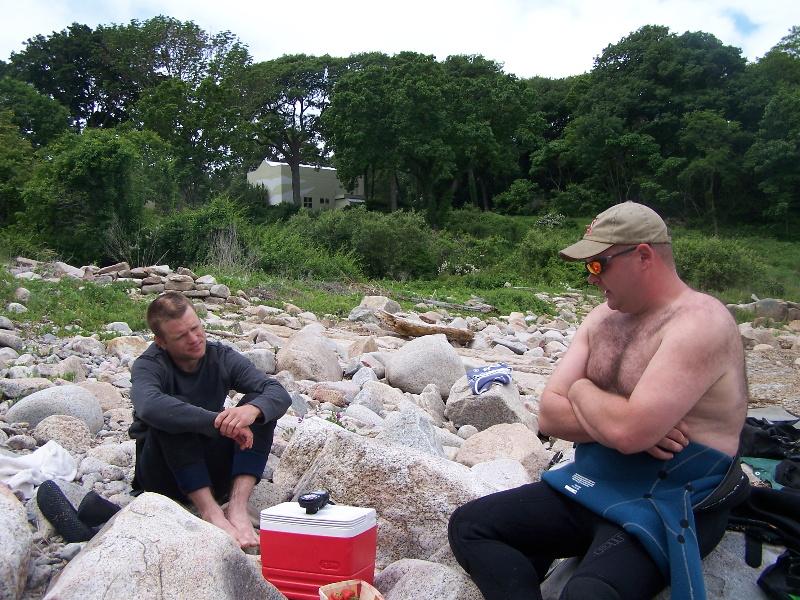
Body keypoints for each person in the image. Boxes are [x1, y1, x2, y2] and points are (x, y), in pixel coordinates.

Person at [449, 202, 749, 600]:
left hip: (673, 497)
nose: (591, 278)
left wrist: (582, 391)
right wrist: (616, 422)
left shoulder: (699, 322)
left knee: (589, 592)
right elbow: (550, 415)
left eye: (598, 264)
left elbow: (627, 430)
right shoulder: (602, 320)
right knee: (470, 526)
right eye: (588, 266)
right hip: (596, 482)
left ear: (643, 256)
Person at [130, 291, 291, 548]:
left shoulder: (219, 356)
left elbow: (277, 393)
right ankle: (211, 512)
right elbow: (149, 406)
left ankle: (237, 507)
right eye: (181, 336)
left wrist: (250, 412)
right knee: (172, 414)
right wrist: (217, 422)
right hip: (165, 475)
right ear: (161, 341)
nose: (194, 339)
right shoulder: (149, 365)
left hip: (211, 469)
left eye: (196, 328)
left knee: (256, 407)